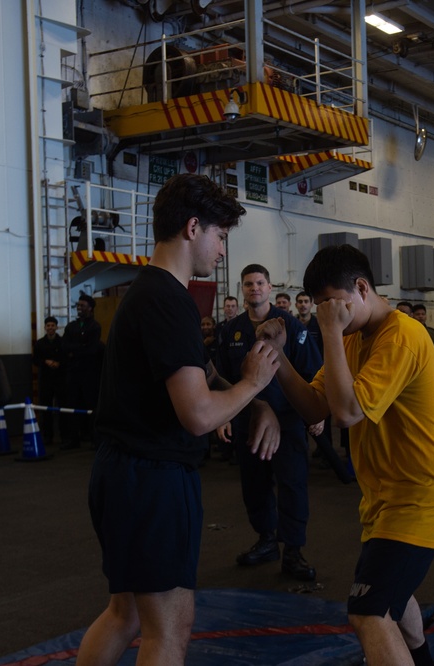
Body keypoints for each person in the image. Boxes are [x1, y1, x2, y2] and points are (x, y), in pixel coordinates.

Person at [76, 173, 281, 666]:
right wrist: (253, 384)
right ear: (194, 228)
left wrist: (247, 403)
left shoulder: (145, 295)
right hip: (152, 482)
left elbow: (196, 388)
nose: (221, 249)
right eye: (220, 235)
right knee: (169, 627)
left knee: (124, 613)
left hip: (122, 473)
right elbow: (197, 415)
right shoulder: (169, 301)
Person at [257, 244, 434, 666]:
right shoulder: (351, 339)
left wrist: (329, 330)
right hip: (384, 498)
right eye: (322, 309)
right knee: (390, 596)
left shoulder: (401, 336)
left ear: (362, 288)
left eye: (333, 305)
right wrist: (277, 356)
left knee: (367, 611)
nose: (328, 316)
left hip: (420, 497)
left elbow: (347, 413)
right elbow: (315, 406)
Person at [217, 265, 323, 581]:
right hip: (248, 420)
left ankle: (293, 550)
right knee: (254, 485)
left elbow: (313, 371)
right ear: (242, 287)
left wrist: (315, 412)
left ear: (269, 285)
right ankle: (266, 540)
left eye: (260, 283)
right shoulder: (232, 330)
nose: (254, 288)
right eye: (248, 283)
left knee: (292, 485)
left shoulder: (288, 325)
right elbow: (221, 376)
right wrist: (223, 414)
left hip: (287, 421)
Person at [295, 291, 354, 484]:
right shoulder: (295, 326)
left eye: (306, 301)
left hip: (323, 370)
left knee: (326, 420)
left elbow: (346, 414)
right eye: (300, 302)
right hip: (308, 377)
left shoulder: (321, 326)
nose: (303, 305)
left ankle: (330, 454)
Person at [60, 292, 104, 450]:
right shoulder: (71, 326)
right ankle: (73, 438)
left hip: (89, 374)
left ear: (90, 308)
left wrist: (74, 351)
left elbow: (92, 350)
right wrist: (80, 348)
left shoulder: (95, 327)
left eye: (82, 305)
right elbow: (64, 347)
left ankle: (94, 438)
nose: (79, 308)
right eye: (78, 305)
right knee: (72, 405)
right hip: (73, 374)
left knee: (91, 406)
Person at [33, 316, 64, 447]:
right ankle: (47, 436)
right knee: (45, 408)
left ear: (57, 327)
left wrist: (59, 363)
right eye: (48, 325)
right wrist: (45, 361)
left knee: (63, 408)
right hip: (45, 380)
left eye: (53, 325)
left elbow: (67, 358)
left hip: (60, 379)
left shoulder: (63, 342)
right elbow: (35, 360)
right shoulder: (39, 344)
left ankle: (64, 435)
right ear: (45, 328)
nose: (50, 328)